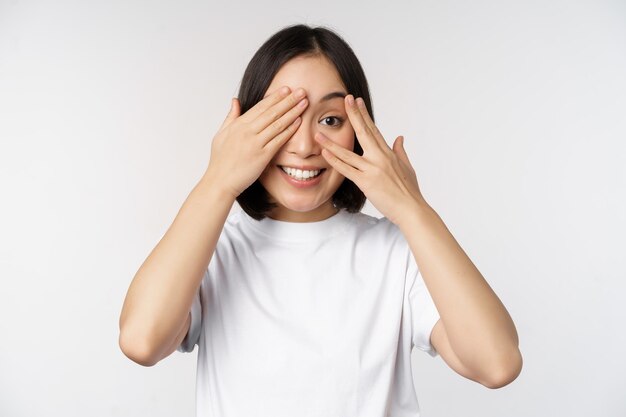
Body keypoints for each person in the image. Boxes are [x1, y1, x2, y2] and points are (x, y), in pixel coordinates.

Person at [119, 23, 522, 416]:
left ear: (359, 132)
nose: (304, 145)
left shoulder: (396, 253)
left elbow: (497, 364)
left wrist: (413, 209)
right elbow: (141, 341)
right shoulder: (214, 249)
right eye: (283, 117)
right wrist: (218, 180)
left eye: (330, 120)